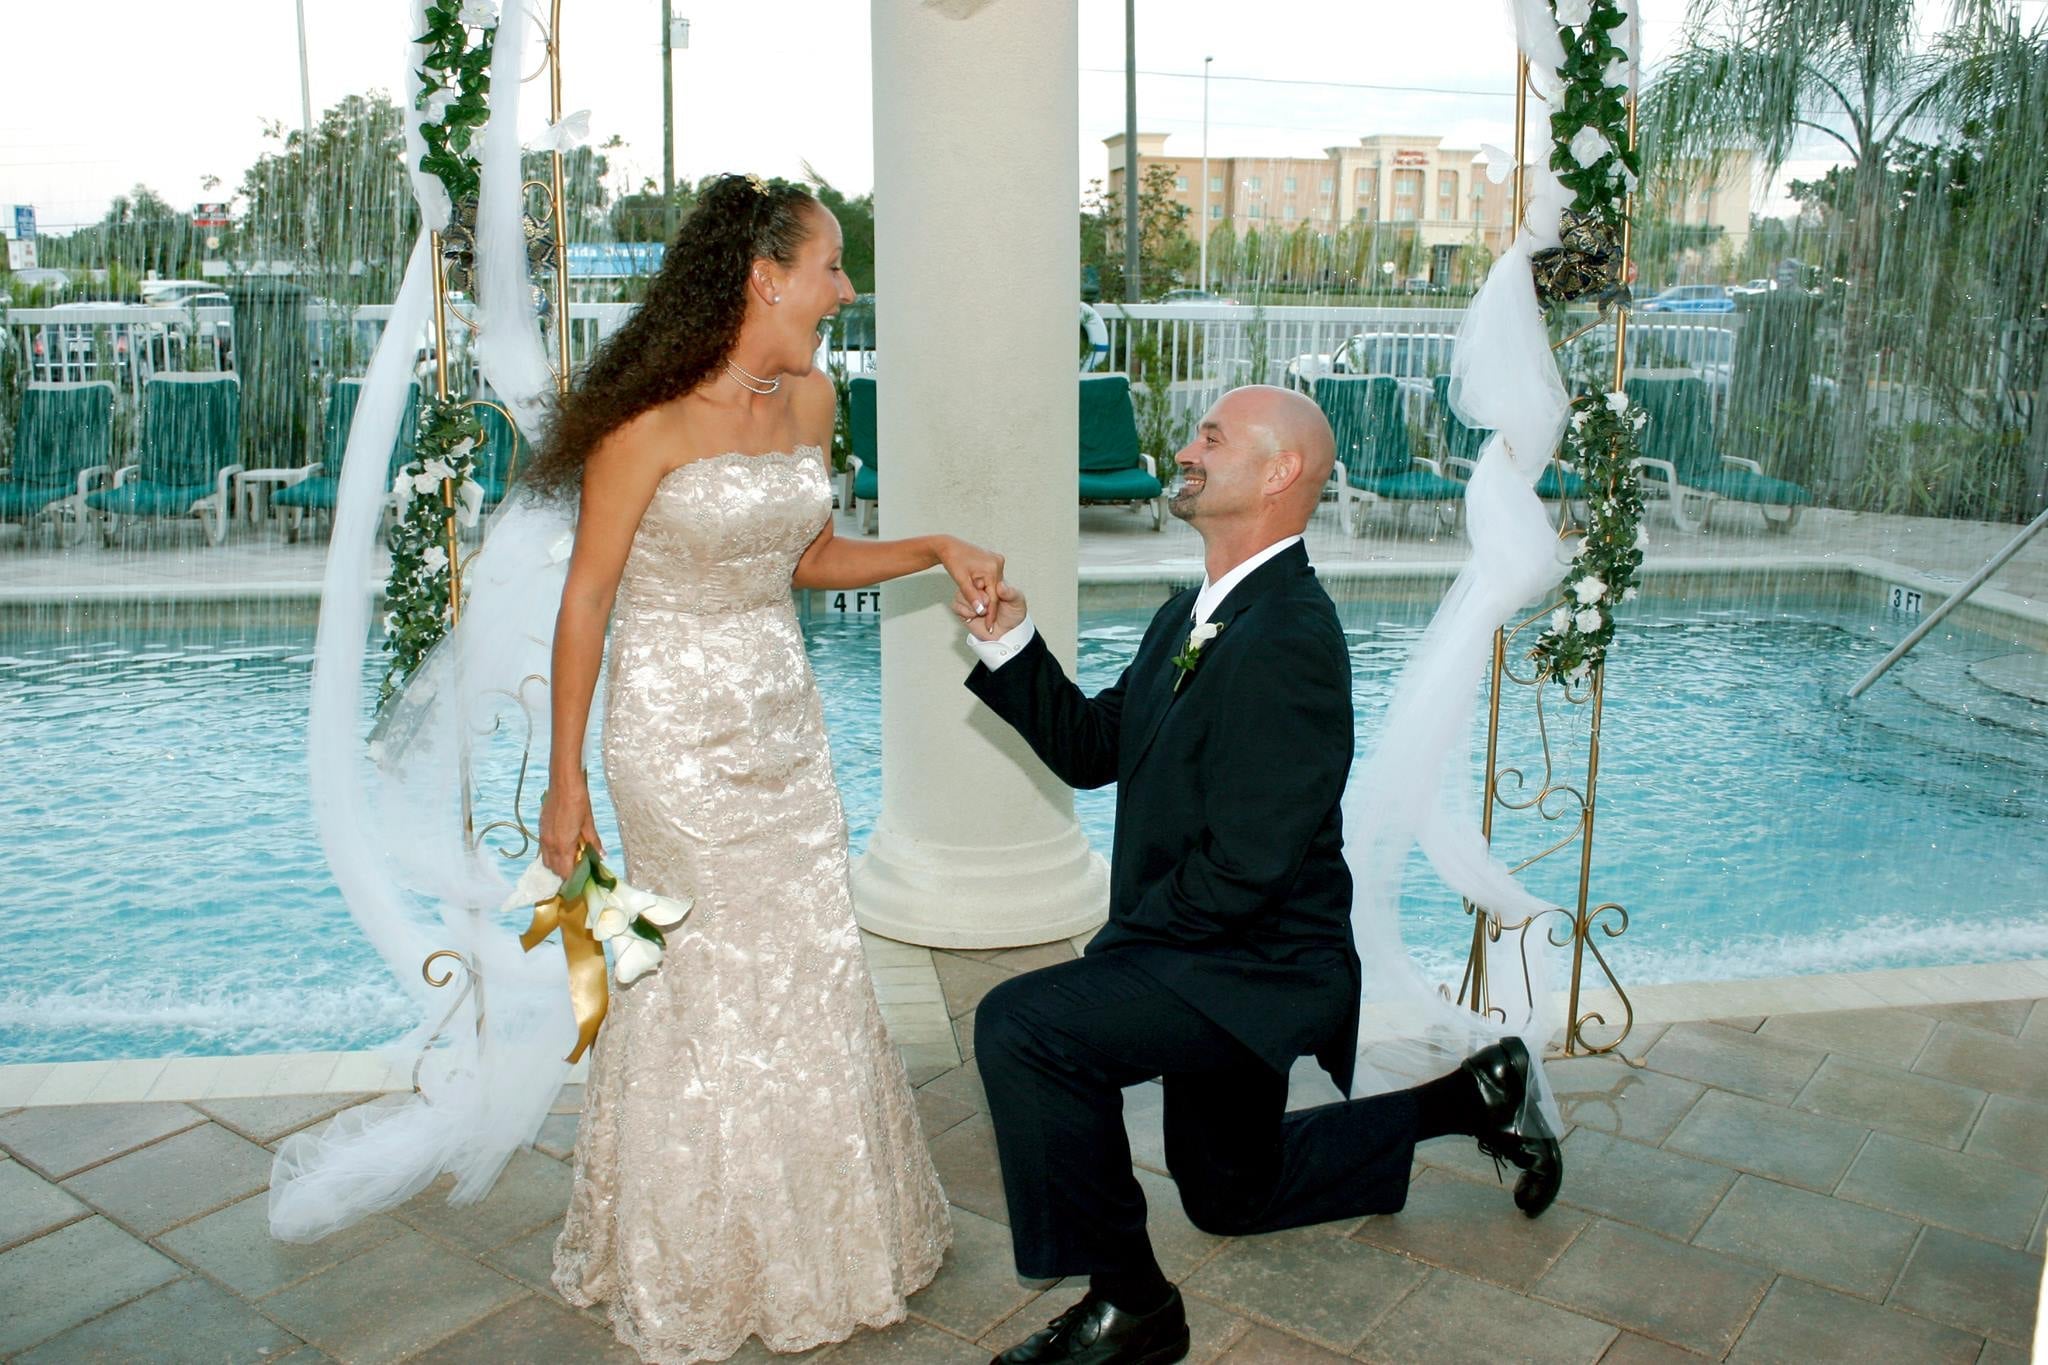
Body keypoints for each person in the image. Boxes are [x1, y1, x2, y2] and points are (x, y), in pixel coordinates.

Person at [954, 385, 1562, 1365]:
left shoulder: (1290, 640)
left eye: (1210, 436)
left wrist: (1121, 963)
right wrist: (1008, 643)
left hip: (1257, 965)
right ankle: (1475, 1096)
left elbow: (1247, 867)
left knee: (1027, 1026)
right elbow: (1093, 746)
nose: (1184, 448)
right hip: (1213, 947)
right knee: (1230, 1196)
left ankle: (1131, 1308)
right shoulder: (1187, 615)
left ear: (1279, 473)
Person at [530, 174, 991, 1363]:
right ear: (763, 277)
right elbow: (585, 603)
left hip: (782, 728)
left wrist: (933, 547)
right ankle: (693, 1257)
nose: (845, 287)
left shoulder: (814, 401)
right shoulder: (647, 425)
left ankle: (825, 1240)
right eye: (832, 265)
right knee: (703, 978)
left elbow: (807, 555)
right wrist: (564, 781)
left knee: (811, 965)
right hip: (671, 736)